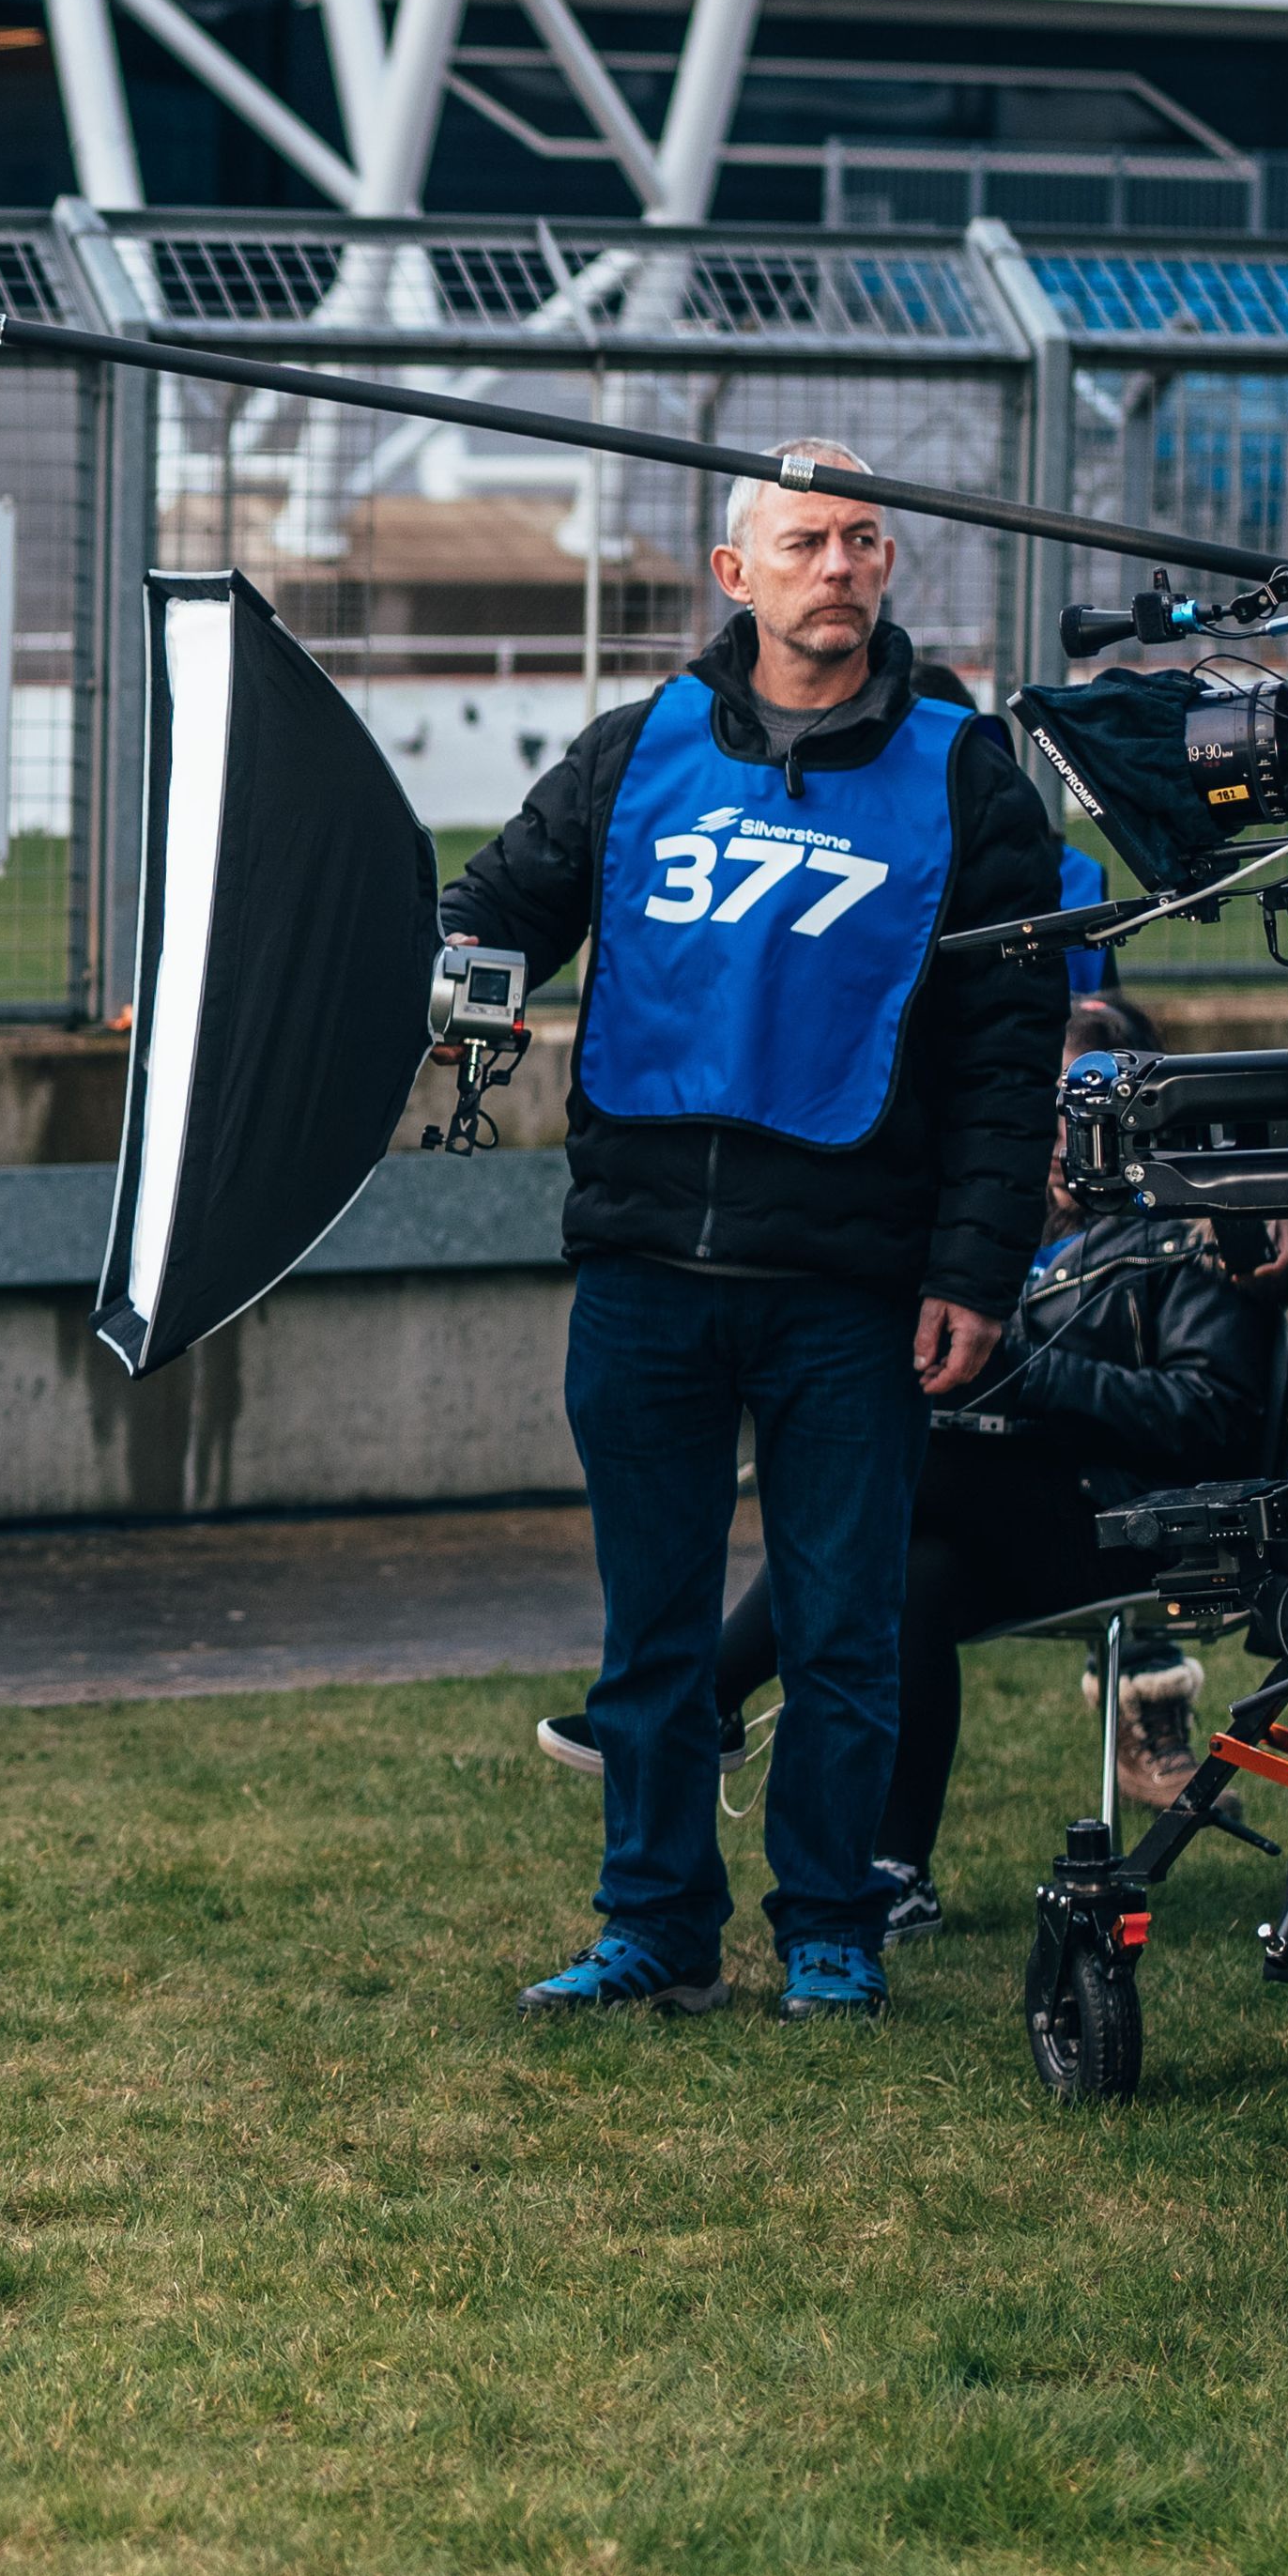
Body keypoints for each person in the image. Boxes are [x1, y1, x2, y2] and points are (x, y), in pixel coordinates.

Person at [437, 442, 1056, 2023]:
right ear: (735, 574)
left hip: (851, 1286)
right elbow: (492, 915)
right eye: (802, 542)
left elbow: (1008, 1053)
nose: (835, 566)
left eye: (862, 540)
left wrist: (973, 1270)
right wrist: (357, 986)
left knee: (845, 1631)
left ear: (887, 570)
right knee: (651, 1639)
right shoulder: (633, 749)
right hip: (642, 1270)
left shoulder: (961, 771)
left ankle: (830, 1928)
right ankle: (652, 1925)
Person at [689, 1004, 1287, 1881]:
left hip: (1141, 1521)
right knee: (911, 1569)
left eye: (1071, 1108)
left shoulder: (1189, 1227)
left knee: (895, 1458)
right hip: (1015, 1520)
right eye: (1037, 1110)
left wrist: (1022, 1370)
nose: (1047, 1135)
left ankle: (705, 1692)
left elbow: (1211, 1415)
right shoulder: (1009, 1235)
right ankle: (895, 1873)